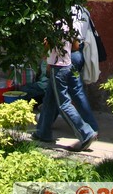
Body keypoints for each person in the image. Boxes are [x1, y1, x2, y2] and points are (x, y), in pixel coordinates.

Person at [32, 20, 98, 151]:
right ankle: (42, 132)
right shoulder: (68, 24)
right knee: (49, 99)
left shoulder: (52, 25)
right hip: (67, 65)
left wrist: (49, 53)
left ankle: (86, 133)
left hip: (57, 68)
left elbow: (46, 47)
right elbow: (76, 46)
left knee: (63, 104)